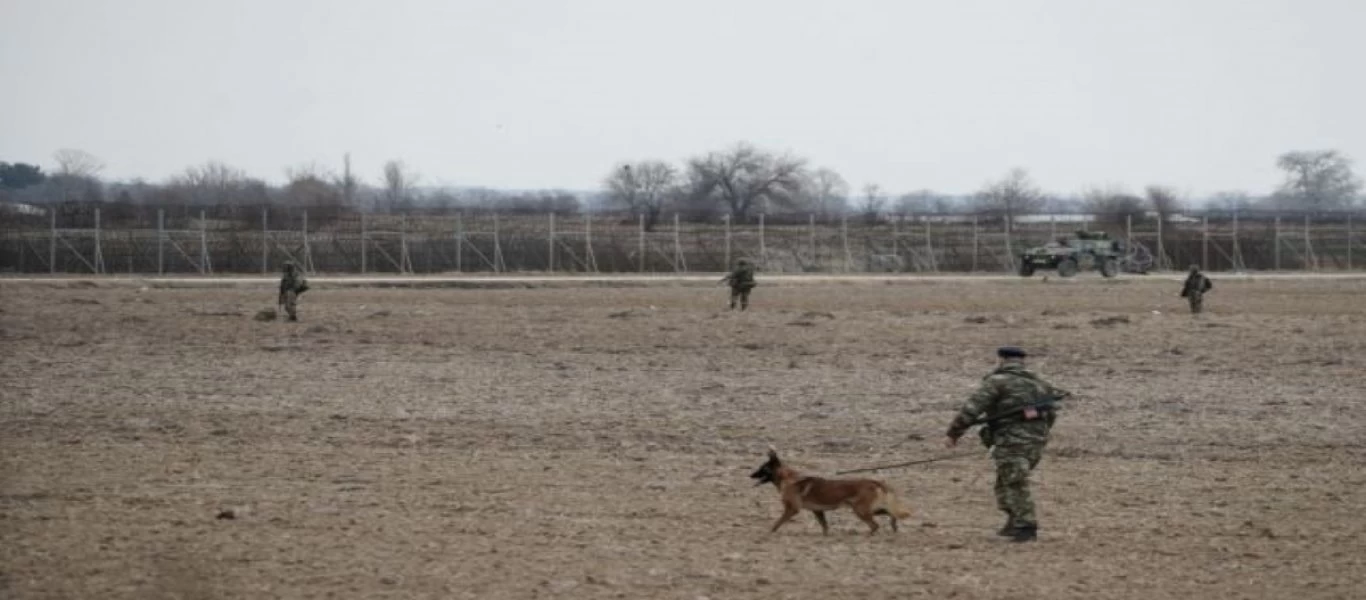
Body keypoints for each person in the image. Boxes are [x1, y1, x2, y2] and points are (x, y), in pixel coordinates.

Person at [944, 346, 1069, 543]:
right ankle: (1013, 521)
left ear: (1001, 360)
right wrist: (1038, 434)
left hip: (1011, 439)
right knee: (1006, 480)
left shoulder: (997, 381)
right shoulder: (1041, 384)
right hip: (1036, 441)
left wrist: (954, 433)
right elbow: (1051, 414)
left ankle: (1026, 526)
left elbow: (972, 408)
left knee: (1015, 481)